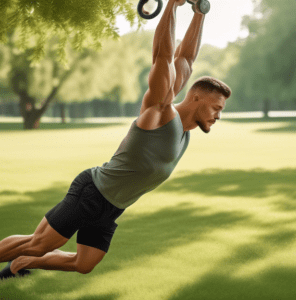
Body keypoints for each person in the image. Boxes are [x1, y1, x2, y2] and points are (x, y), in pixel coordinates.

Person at [0, 0, 231, 280]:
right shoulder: (160, 113)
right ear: (195, 98)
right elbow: (164, 58)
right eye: (217, 108)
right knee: (42, 243)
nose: (219, 116)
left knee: (84, 263)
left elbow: (186, 60)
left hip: (112, 207)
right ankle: (25, 256)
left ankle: (18, 264)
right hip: (93, 191)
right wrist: (172, 5)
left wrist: (199, 13)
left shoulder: (184, 133)